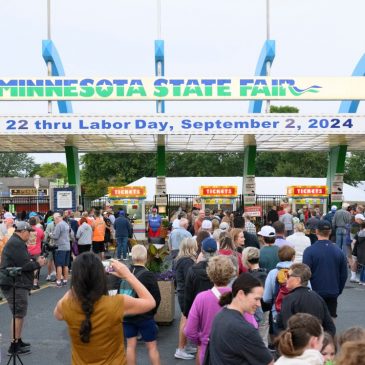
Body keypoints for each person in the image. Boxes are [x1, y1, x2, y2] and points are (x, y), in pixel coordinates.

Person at [54, 252, 156, 365]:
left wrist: (76, 286)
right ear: (101, 277)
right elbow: (150, 302)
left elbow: (57, 315)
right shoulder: (115, 303)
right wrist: (128, 275)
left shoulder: (67, 305)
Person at [0, 221, 47, 355]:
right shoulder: (16, 243)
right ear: (23, 231)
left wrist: (33, 260)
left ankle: (17, 340)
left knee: (19, 313)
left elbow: (23, 261)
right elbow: (25, 266)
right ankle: (14, 345)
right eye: (29, 233)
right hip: (13, 283)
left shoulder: (17, 242)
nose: (31, 235)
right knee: (18, 314)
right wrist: (38, 263)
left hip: (15, 282)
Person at [207, 273, 273, 365]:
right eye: (256, 299)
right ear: (241, 294)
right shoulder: (245, 330)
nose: (259, 304)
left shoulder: (219, 316)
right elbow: (268, 362)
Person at [184, 256, 236, 364]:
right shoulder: (238, 297)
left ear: (210, 273)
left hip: (208, 351)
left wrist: (201, 340)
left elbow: (189, 330)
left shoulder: (201, 298)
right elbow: (252, 324)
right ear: (231, 273)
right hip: (233, 352)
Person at [123, 245, 161, 365]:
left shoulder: (126, 273)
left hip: (128, 315)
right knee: (152, 347)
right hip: (145, 316)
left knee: (130, 346)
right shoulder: (148, 275)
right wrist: (152, 313)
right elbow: (157, 297)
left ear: (132, 257)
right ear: (145, 257)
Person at [303, 220, 348, 319]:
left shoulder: (309, 251)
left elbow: (305, 273)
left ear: (316, 231)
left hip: (314, 292)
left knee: (314, 322)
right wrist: (338, 290)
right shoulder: (339, 251)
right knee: (331, 320)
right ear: (330, 232)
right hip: (332, 291)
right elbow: (344, 274)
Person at [277, 263, 336, 337]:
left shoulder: (289, 299)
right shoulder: (318, 298)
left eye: (288, 276)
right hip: (316, 342)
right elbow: (330, 327)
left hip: (298, 345)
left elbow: (286, 326)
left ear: (298, 280)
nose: (286, 279)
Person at [174, 237, 198, 361]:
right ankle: (181, 348)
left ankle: (185, 346)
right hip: (186, 293)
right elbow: (191, 279)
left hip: (181, 291)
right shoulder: (188, 261)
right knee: (185, 319)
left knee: (186, 319)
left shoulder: (179, 260)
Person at [183, 237, 217, 318]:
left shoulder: (193, 270)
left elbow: (188, 294)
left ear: (202, 251)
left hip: (198, 309)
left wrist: (187, 313)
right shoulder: (222, 268)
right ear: (216, 251)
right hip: (217, 310)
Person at [51, 212, 71, 288]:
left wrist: (50, 234)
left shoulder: (59, 225)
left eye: (54, 219)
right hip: (67, 246)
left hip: (60, 247)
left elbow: (55, 236)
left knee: (59, 265)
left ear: (57, 218)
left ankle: (58, 281)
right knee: (66, 265)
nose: (54, 221)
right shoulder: (66, 224)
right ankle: (65, 280)